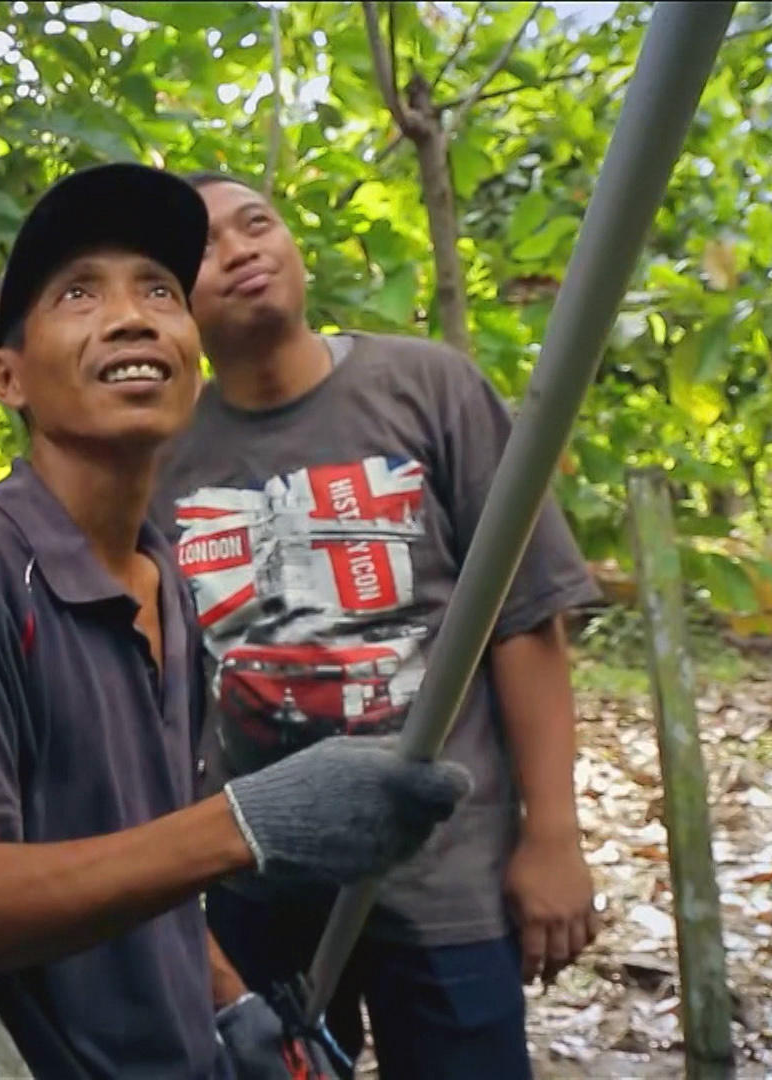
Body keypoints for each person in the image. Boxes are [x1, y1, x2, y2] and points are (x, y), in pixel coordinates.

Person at [0, 162, 475, 1079]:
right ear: (5, 376)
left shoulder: (166, 577)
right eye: (79, 294)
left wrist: (231, 1009)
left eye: (159, 290)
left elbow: (154, 866)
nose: (132, 316)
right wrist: (248, 825)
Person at [151, 171, 607, 1079]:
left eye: (257, 223)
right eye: (204, 246)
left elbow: (524, 621)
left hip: (442, 875)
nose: (242, 249)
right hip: (256, 870)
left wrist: (552, 835)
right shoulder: (164, 455)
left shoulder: (427, 388)